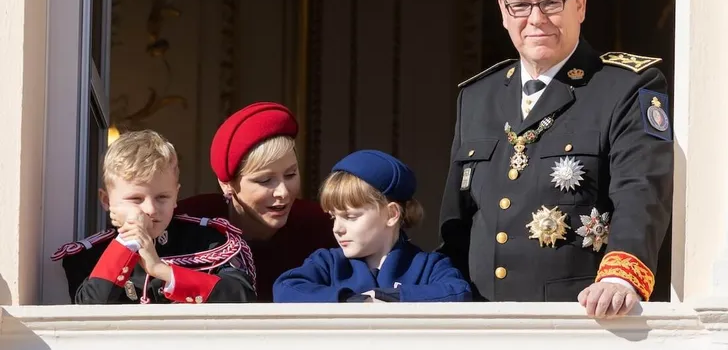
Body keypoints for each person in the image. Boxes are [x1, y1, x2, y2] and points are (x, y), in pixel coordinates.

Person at [437, 0, 672, 318]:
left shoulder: (625, 87)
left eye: (551, 3)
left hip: (580, 320)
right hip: (480, 322)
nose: (535, 19)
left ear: (579, 4)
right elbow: (457, 222)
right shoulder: (477, 97)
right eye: (521, 5)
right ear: (503, 10)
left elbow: (641, 189)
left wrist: (620, 278)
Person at [52, 130, 257, 304]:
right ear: (106, 200)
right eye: (135, 198)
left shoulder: (209, 242)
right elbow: (87, 311)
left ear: (176, 195)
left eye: (162, 197)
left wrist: (162, 270)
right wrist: (126, 244)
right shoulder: (87, 256)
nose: (150, 209)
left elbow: (242, 296)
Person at [167, 102, 338, 302]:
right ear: (227, 185)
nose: (283, 192)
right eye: (265, 181)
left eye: (291, 174)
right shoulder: (188, 222)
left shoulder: (323, 226)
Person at [273, 150, 472, 303]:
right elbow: (285, 288)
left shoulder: (428, 266)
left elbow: (458, 292)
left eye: (350, 217)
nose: (337, 229)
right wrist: (351, 300)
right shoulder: (328, 263)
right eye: (334, 217)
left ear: (391, 214)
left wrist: (389, 296)